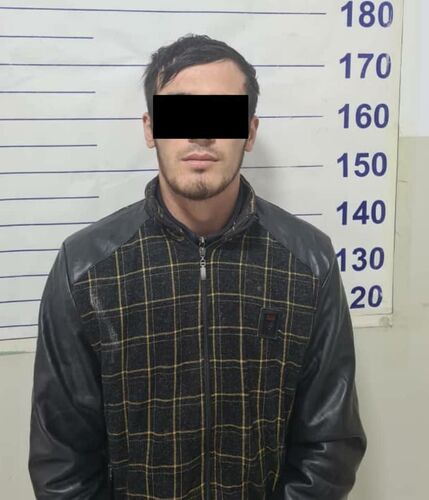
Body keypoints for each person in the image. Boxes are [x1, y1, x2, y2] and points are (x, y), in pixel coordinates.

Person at [28, 34, 367, 499]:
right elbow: (63, 461)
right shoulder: (85, 269)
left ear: (249, 132)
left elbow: (329, 444)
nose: (201, 134)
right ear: (150, 129)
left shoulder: (309, 262)